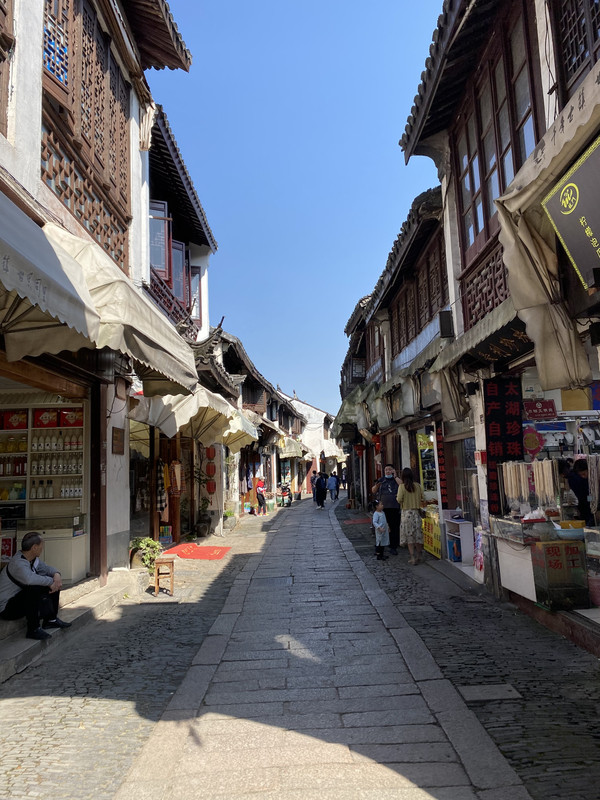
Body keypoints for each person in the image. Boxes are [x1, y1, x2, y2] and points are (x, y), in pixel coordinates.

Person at [0, 531, 72, 640]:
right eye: (41, 545)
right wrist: (51, 582)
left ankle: (51, 620)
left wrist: (56, 575)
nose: (42, 548)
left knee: (51, 581)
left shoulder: (33, 560)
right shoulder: (18, 563)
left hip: (19, 601)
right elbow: (30, 579)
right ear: (34, 547)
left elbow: (46, 569)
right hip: (6, 608)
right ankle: (33, 629)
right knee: (33, 587)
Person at [396, 467, 426, 565]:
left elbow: (399, 499)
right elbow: (423, 498)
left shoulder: (402, 487)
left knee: (409, 537)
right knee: (418, 535)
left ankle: (412, 557)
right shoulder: (418, 486)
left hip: (406, 514)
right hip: (416, 513)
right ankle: (419, 555)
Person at [371, 464, 402, 554]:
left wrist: (395, 476)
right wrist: (377, 485)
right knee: (382, 526)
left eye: (390, 469)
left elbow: (402, 485)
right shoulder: (381, 480)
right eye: (386, 470)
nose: (388, 471)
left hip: (394, 506)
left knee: (394, 526)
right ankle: (381, 546)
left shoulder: (396, 479)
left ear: (393, 470)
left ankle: (393, 546)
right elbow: (373, 490)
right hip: (383, 508)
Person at [568, 459, 594, 526]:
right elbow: (586, 495)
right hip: (586, 505)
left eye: (584, 474)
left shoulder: (593, 478)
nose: (583, 476)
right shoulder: (578, 480)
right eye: (581, 475)